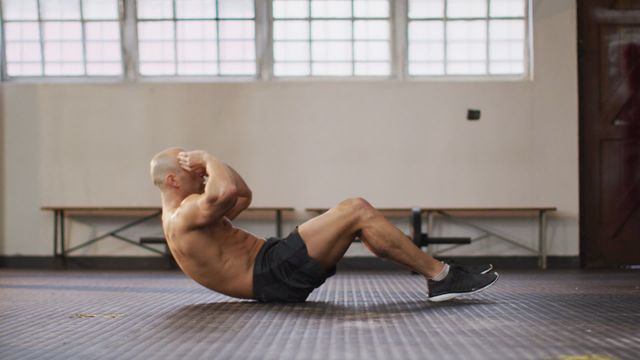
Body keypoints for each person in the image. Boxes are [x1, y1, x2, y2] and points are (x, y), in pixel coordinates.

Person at [150, 148, 499, 303]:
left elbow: (241, 195)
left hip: (271, 264)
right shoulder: (185, 214)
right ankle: (441, 276)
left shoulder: (189, 217)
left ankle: (438, 276)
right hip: (270, 275)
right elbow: (225, 189)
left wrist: (210, 164)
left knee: (359, 219)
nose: (200, 174)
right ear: (173, 179)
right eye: (191, 172)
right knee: (356, 209)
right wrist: (208, 157)